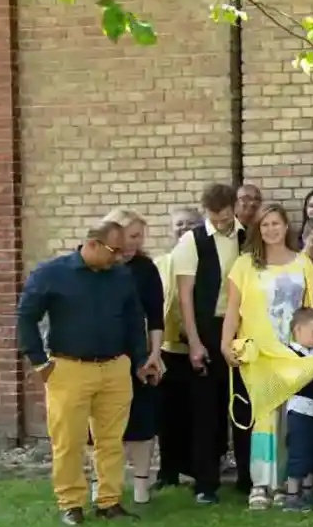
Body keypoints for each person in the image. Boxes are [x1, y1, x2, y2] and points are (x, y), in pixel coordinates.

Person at [16, 221, 153, 525]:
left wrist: (140, 359)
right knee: (69, 441)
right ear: (92, 244)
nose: (119, 257)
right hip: (68, 369)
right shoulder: (51, 273)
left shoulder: (120, 275)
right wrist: (39, 362)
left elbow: (133, 318)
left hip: (115, 368)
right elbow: (26, 316)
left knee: (111, 440)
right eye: (113, 251)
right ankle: (71, 503)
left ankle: (109, 502)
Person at [219, 203, 313, 509]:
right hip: (260, 351)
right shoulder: (244, 265)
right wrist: (226, 344)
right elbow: (232, 310)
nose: (271, 229)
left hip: (293, 353)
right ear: (258, 229)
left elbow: (311, 310)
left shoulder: (302, 263)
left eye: (276, 223)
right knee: (264, 417)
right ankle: (261, 484)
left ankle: (285, 483)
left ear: (285, 226)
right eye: (265, 225)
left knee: (291, 419)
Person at [172, 183, 247, 504]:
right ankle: (206, 483)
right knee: (206, 410)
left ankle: (248, 478)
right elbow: (184, 295)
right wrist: (194, 342)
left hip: (244, 329)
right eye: (215, 218)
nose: (221, 223)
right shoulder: (192, 241)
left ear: (235, 208)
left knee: (244, 404)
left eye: (226, 217)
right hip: (207, 327)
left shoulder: (248, 236)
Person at [104, 208, 165, 506]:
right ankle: (102, 485)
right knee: (102, 424)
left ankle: (141, 485)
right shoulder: (98, 265)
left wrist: (154, 353)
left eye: (139, 237)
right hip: (103, 354)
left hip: (139, 357)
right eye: (131, 236)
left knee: (141, 421)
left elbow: (156, 316)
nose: (135, 243)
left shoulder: (145, 268)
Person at [155, 206, 200, 490]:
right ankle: (167, 471)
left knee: (196, 414)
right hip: (165, 349)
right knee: (167, 414)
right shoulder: (160, 263)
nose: (183, 228)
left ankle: (197, 469)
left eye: (190, 224)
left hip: (195, 349)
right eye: (178, 224)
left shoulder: (204, 263)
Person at [281, 308, 313, 513]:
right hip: (299, 409)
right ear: (298, 330)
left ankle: (308, 490)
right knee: (298, 451)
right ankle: (292, 494)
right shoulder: (289, 353)